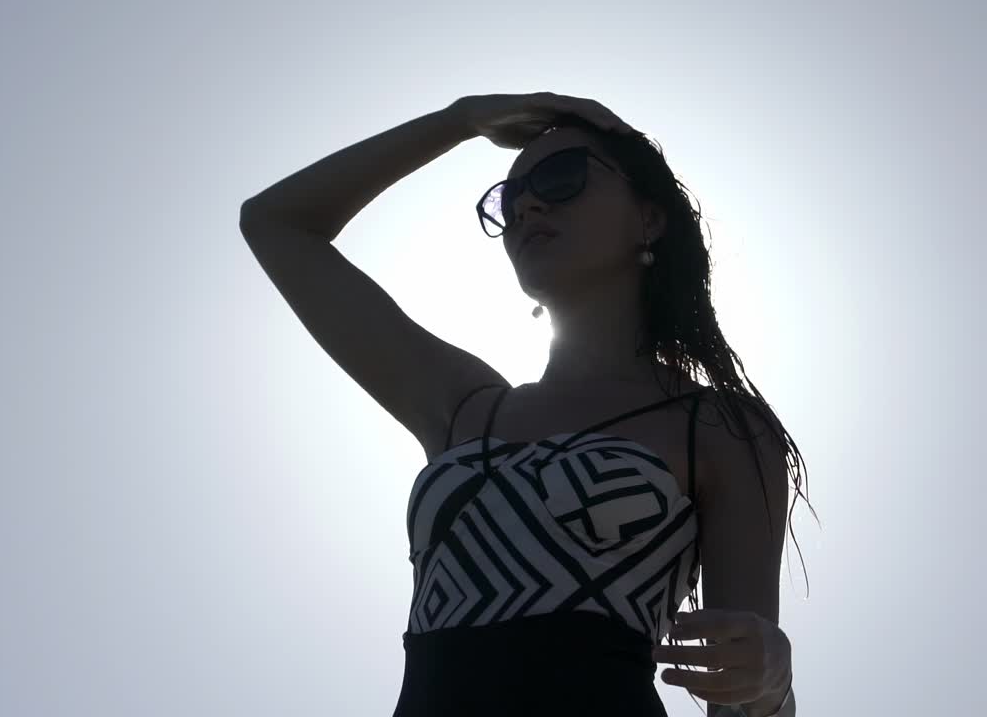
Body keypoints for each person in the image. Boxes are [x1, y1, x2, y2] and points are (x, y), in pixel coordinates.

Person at [239, 93, 816, 716]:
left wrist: (772, 686)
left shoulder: (718, 426)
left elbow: (740, 699)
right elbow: (274, 222)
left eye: (562, 178)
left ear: (648, 220)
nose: (526, 206)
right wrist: (460, 120)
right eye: (506, 199)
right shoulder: (467, 409)